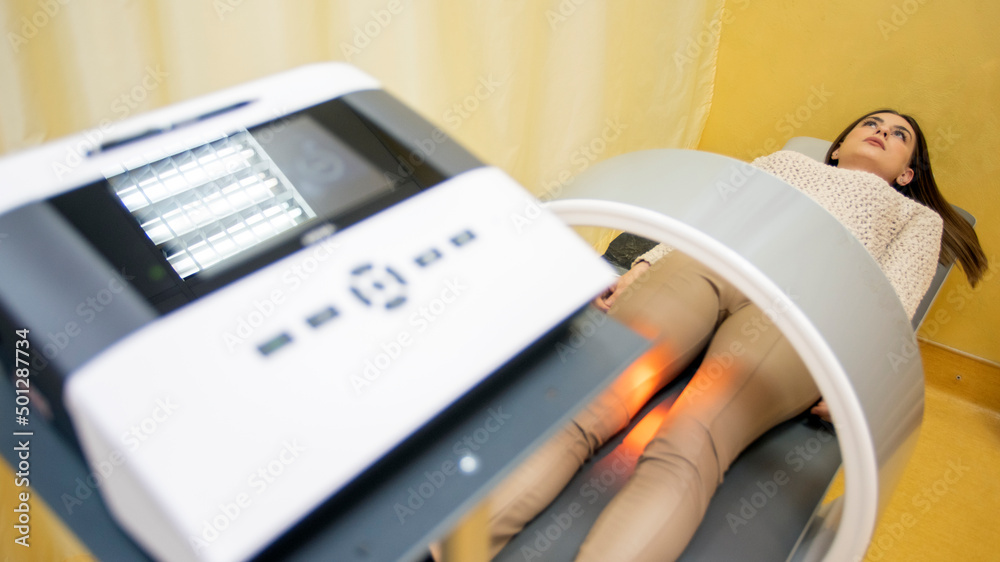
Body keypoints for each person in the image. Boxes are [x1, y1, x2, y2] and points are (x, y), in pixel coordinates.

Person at [484, 110, 988, 561]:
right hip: (709, 265)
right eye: (871, 124)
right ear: (837, 147)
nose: (881, 132)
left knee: (691, 442)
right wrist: (644, 266)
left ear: (906, 174)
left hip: (804, 309)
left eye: (899, 135)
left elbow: (892, 298)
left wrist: (862, 375)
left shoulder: (916, 218)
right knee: (588, 405)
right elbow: (712, 219)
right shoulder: (783, 164)